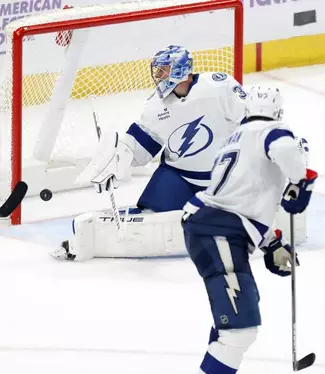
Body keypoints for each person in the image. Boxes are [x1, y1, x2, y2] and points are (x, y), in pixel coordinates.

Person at [50, 45, 248, 261]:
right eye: (158, 70)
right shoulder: (157, 105)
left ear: (181, 70)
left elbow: (253, 120)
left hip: (224, 177)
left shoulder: (219, 87)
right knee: (152, 218)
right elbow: (143, 145)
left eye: (163, 69)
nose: (158, 75)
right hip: (178, 176)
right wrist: (117, 160)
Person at [180, 85, 317, 374]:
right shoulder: (272, 132)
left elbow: (242, 199)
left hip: (211, 225)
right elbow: (283, 148)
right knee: (240, 329)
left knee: (234, 316)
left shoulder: (235, 140)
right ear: (278, 113)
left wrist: (271, 244)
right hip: (218, 231)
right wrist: (300, 179)